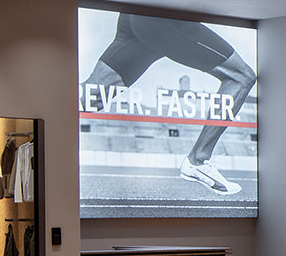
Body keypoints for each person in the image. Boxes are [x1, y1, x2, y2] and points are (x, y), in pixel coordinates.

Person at [83, 15, 256, 196]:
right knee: (241, 77)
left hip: (134, 15)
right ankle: (198, 160)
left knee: (90, 98)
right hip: (164, 19)